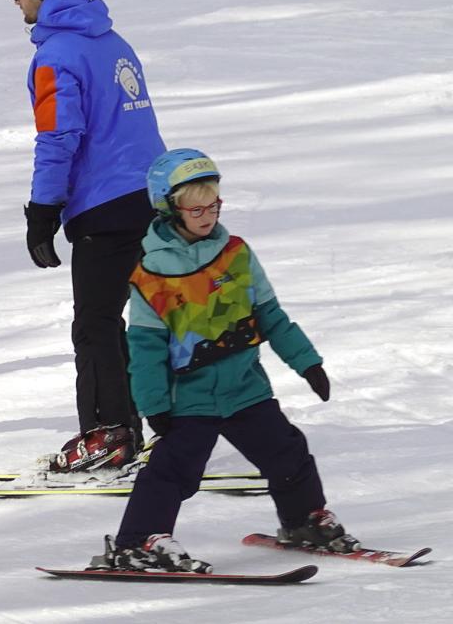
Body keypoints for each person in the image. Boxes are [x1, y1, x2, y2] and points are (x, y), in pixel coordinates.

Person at [89, 148, 355, 572]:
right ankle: (138, 542)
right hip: (189, 397)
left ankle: (305, 521)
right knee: (173, 470)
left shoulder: (236, 254)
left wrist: (308, 363)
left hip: (245, 386)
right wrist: (154, 405)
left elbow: (271, 315)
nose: (207, 214)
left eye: (213, 204)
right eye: (196, 207)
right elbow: (145, 350)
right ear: (170, 208)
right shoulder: (151, 276)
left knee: (287, 452)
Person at [10, 0, 166, 472]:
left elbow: (58, 136)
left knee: (96, 323)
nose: (15, 0)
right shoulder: (112, 42)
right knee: (142, 320)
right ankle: (151, 424)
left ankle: (108, 435)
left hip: (105, 206)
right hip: (153, 198)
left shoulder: (57, 55)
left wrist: (42, 211)